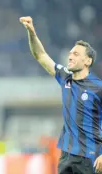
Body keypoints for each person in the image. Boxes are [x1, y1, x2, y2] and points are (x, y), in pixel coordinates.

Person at [20, 16, 102, 174]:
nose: (70, 56)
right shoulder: (65, 77)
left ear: (88, 61)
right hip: (66, 156)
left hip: (91, 156)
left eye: (76, 54)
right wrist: (32, 33)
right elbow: (41, 56)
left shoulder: (98, 87)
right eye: (70, 53)